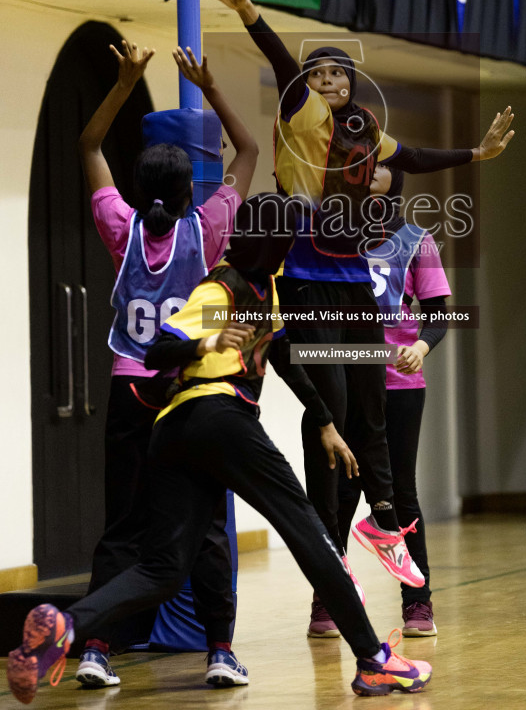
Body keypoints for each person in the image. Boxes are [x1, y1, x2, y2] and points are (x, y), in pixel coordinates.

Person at [6, 195, 433, 706]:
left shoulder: (264, 289)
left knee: (163, 568)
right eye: (288, 236)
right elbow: (159, 348)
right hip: (218, 418)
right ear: (273, 242)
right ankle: (374, 662)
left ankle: (63, 626)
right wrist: (206, 344)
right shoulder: (220, 286)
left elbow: (283, 358)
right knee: (310, 533)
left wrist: (323, 422)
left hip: (176, 432)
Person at [198, 0, 515, 635]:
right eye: (320, 76)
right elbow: (280, 58)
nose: (329, 84)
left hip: (350, 291)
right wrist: (248, 15)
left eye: (337, 75)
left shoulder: (365, 134)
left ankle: (388, 532)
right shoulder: (302, 110)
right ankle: (332, 577)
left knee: (368, 421)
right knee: (332, 420)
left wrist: (474, 154)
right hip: (307, 277)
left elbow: (417, 156)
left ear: (352, 84)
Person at [75, 39, 258, 689]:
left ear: (140, 189)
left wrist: (125, 82)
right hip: (188, 398)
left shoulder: (120, 227)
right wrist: (208, 87)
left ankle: (95, 648)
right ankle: (219, 650)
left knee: (122, 527)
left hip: (131, 392)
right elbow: (248, 153)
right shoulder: (206, 229)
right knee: (205, 527)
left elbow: (90, 147)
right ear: (189, 192)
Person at [338, 163, 450, 638]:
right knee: (339, 493)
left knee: (401, 489)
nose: (369, 174)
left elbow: (441, 315)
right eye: (360, 167)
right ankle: (328, 599)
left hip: (400, 386)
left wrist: (420, 346)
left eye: (379, 167)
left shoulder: (415, 240)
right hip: (345, 383)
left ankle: (418, 603)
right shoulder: (332, 235)